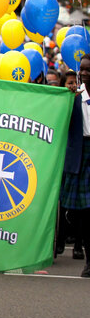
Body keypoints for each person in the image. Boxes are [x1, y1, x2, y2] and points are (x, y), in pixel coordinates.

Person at [62, 57, 90, 277]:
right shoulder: (72, 98)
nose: (84, 73)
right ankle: (89, 261)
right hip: (81, 155)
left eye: (88, 69)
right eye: (82, 69)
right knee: (84, 215)